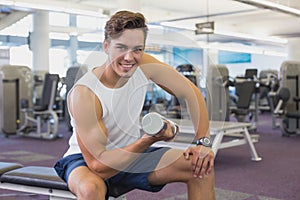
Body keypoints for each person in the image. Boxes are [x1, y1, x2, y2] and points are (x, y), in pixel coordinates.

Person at [54, 10, 215, 200]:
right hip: (86, 161)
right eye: (121, 47)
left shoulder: (144, 65)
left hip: (131, 154)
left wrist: (202, 143)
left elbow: (191, 93)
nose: (129, 57)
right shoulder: (85, 93)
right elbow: (99, 166)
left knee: (199, 166)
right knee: (91, 189)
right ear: (106, 46)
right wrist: (148, 139)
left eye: (138, 49)